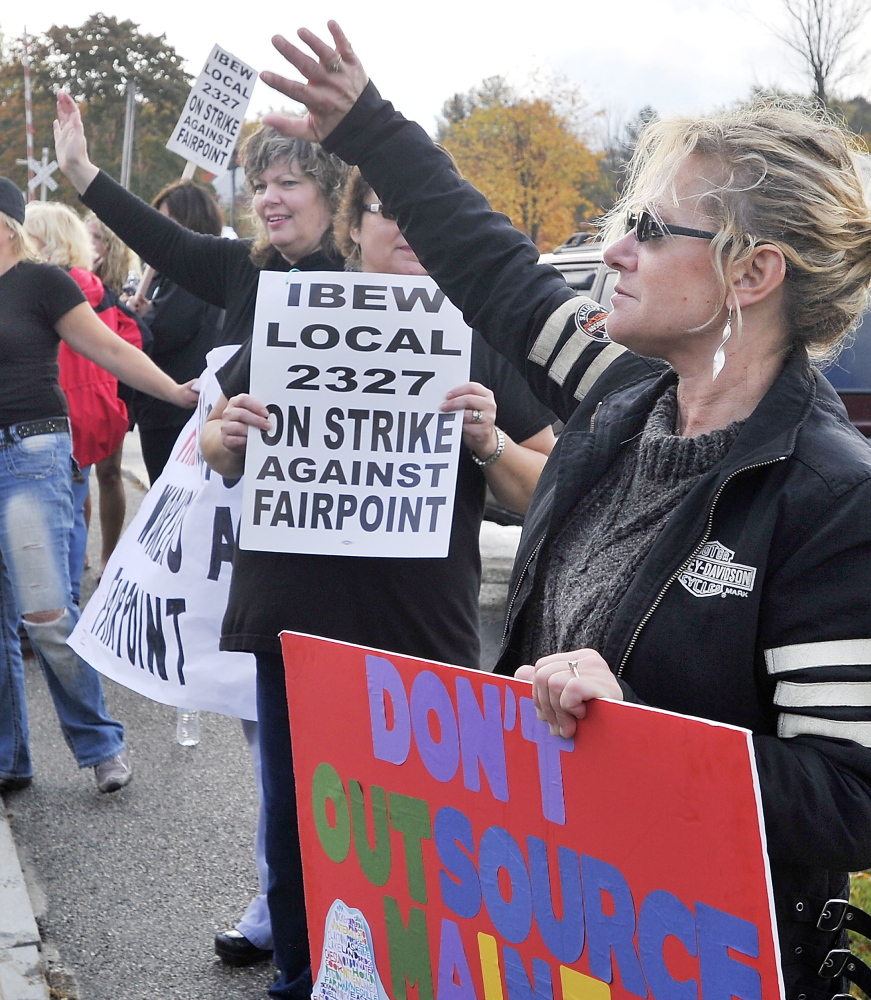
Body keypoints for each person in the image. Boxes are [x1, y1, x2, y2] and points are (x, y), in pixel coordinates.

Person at [253, 23, 871, 999]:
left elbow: (848, 798)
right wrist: (368, 126)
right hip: (553, 925)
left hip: (702, 956)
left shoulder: (832, 496)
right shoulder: (624, 400)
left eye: (653, 229)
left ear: (753, 277)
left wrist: (641, 732)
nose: (613, 250)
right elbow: (499, 277)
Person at [53, 89, 557, 997]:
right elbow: (212, 442)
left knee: (420, 830)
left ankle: (410, 975)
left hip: (423, 629)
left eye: (416, 214)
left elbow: (544, 489)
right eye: (383, 212)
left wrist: (490, 442)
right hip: (294, 624)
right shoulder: (296, 315)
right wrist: (226, 434)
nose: (402, 228)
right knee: (296, 824)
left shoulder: (473, 341)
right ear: (354, 229)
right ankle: (298, 973)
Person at [0, 177, 197, 797]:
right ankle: (10, 759)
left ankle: (101, 745)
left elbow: (110, 349)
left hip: (31, 452)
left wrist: (177, 392)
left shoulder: (40, 283)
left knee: (46, 613)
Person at [21, 201, 133, 604]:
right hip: (90, 411)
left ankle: (58, 604)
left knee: (53, 515)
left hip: (50, 413)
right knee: (69, 507)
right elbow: (132, 338)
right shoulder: (94, 287)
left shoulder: (49, 287)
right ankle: (64, 601)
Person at [126, 180, 225, 484]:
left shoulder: (192, 273)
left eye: (166, 222)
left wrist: (135, 321)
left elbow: (168, 329)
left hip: (177, 411)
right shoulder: (179, 272)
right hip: (167, 408)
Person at [82, 214, 143, 572]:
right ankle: (79, 548)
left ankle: (109, 554)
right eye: (84, 236)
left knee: (108, 471)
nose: (90, 244)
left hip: (114, 386)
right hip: (81, 383)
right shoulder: (69, 277)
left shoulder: (129, 284)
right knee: (77, 474)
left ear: (111, 245)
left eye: (96, 238)